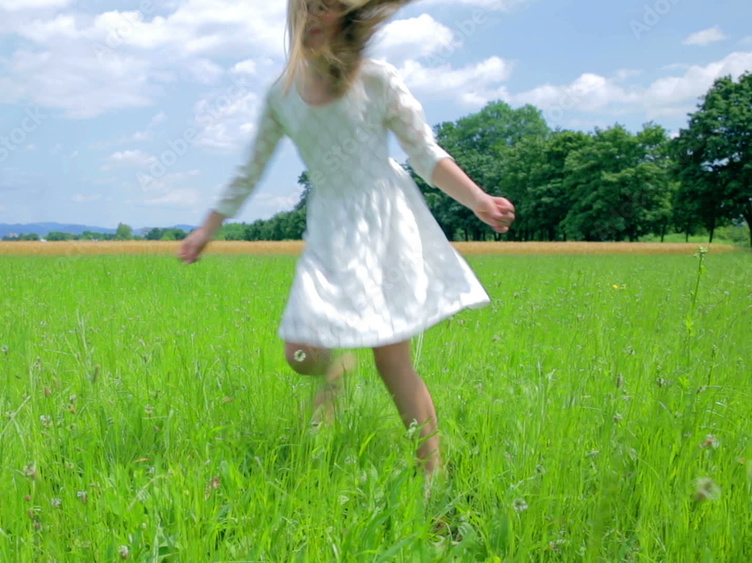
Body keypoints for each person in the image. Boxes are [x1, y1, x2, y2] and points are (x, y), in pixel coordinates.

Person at [178, 0, 515, 478]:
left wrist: (477, 199)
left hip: (384, 222)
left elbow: (424, 152)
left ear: (348, 16)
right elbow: (250, 170)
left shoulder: (377, 79)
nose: (318, 17)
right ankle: (337, 371)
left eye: (331, 7)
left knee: (391, 360)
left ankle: (432, 475)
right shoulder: (282, 94)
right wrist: (206, 229)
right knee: (301, 353)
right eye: (310, 6)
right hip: (329, 229)